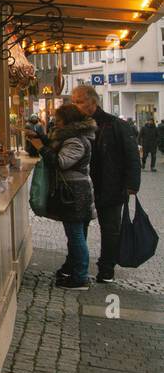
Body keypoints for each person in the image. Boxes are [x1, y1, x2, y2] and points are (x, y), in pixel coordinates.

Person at [68, 84, 140, 284]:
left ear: (93, 101)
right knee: (78, 228)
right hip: (84, 187)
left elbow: (132, 156)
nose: (76, 105)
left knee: (110, 229)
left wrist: (132, 184)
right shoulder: (75, 125)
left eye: (79, 101)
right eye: (73, 101)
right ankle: (73, 264)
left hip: (110, 186)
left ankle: (107, 268)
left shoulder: (115, 124)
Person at [29, 103, 97, 290]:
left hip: (75, 194)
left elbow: (60, 162)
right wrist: (41, 138)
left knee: (76, 236)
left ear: (68, 121)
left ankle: (80, 277)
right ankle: (75, 272)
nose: (55, 123)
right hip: (74, 192)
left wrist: (40, 147)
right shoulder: (70, 137)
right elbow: (56, 146)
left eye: (58, 120)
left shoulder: (75, 141)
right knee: (76, 235)